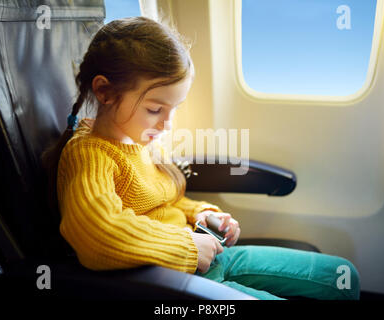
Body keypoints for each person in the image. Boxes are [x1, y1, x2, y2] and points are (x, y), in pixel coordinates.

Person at [41, 17, 360, 300]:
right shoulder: (90, 154)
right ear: (105, 92)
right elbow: (97, 234)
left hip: (206, 255)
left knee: (342, 278)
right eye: (155, 109)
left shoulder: (138, 139)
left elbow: (163, 202)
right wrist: (187, 246)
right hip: (169, 278)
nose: (167, 124)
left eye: (174, 109)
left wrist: (202, 214)